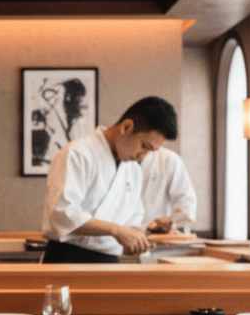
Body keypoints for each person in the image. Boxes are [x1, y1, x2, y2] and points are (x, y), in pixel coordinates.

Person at [41, 97, 177, 263]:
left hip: (109, 261)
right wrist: (117, 231)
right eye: (145, 146)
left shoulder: (132, 168)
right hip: (68, 258)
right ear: (126, 127)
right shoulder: (78, 153)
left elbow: (132, 218)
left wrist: (136, 237)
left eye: (151, 151)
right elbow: (63, 213)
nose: (144, 155)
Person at [135, 99, 196, 232]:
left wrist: (169, 222)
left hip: (157, 238)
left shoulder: (170, 160)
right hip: (119, 237)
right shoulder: (119, 158)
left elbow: (186, 202)